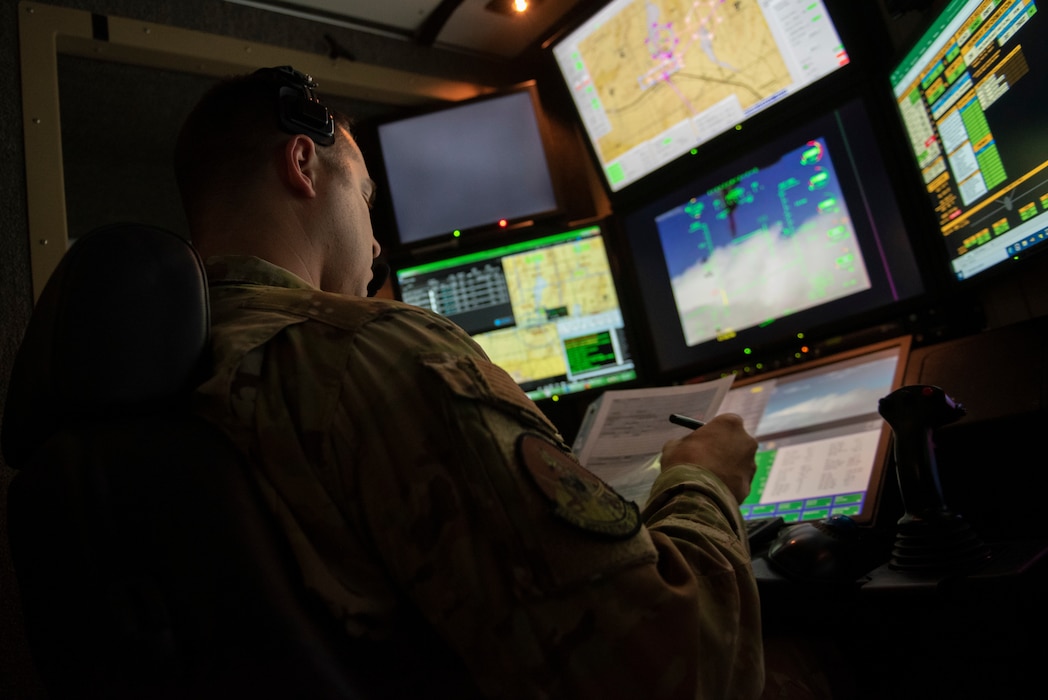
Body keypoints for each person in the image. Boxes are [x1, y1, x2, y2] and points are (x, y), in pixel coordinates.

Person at [174, 66, 766, 699]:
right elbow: (679, 662)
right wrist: (703, 481)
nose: (375, 247)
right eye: (366, 199)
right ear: (302, 163)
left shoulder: (172, 366)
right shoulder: (374, 351)